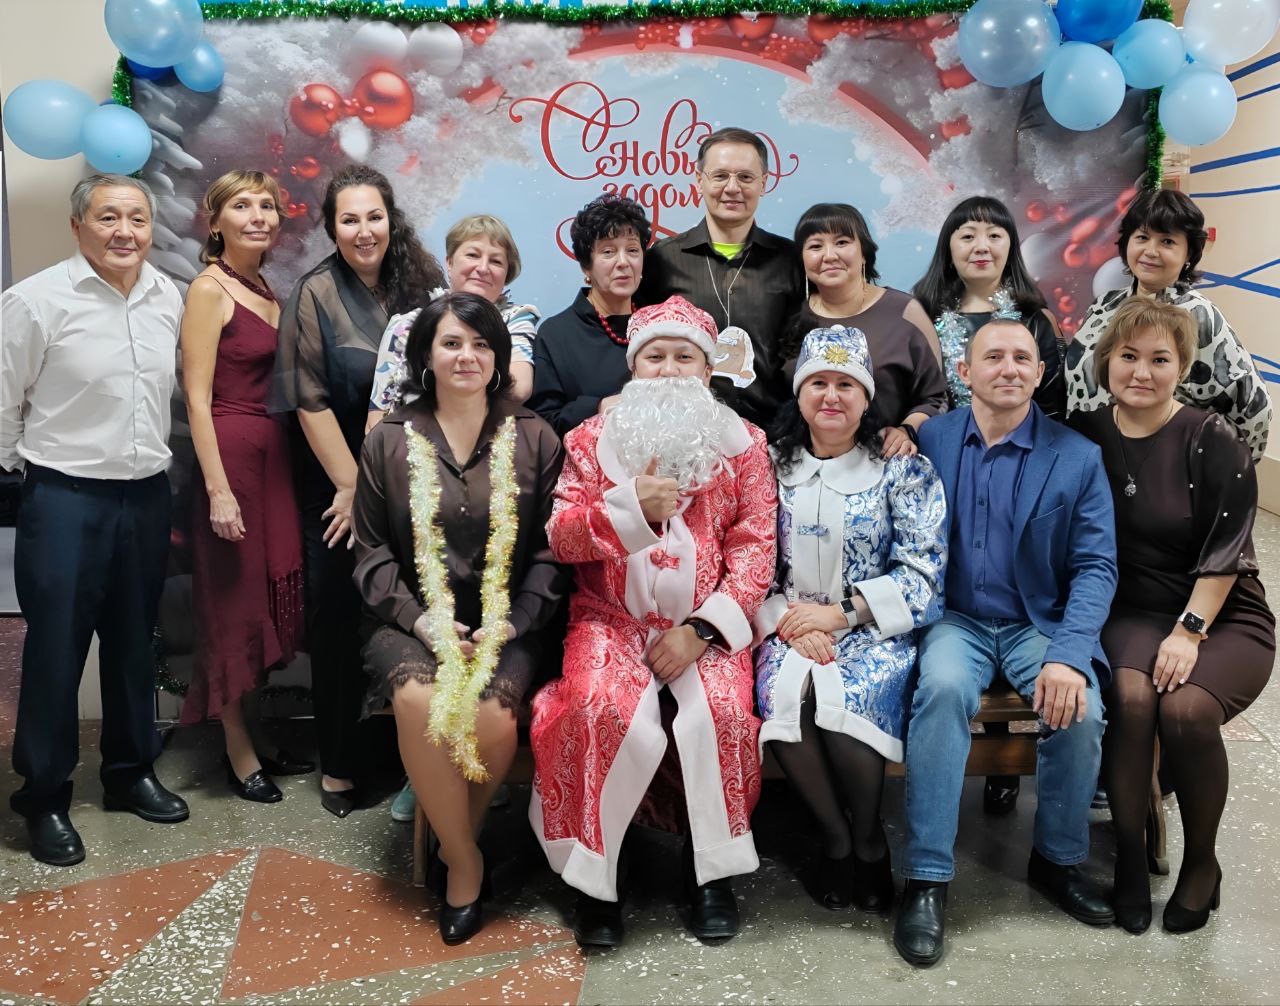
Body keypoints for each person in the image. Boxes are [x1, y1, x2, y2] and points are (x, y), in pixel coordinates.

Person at [529, 296, 778, 949]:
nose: (669, 370)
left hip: (704, 629)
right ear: (633, 368)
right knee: (597, 708)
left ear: (707, 370)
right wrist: (627, 510)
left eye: (684, 357)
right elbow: (562, 537)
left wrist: (702, 630)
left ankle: (710, 873)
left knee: (722, 715)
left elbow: (756, 549)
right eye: (655, 357)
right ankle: (596, 880)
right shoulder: (588, 442)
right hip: (611, 620)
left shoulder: (745, 446)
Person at [894, 319, 1118, 968]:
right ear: (965, 372)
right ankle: (927, 878)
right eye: (993, 356)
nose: (1010, 368)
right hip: (954, 617)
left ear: (1040, 373)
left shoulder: (1077, 457)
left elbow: (1096, 566)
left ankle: (1057, 859)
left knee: (1082, 711)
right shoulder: (932, 440)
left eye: (1023, 357)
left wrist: (1069, 655)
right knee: (941, 692)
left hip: (1036, 623)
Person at [352, 292, 565, 944]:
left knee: (494, 718)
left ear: (499, 356)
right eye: (451, 343)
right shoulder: (390, 439)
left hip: (509, 621)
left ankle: (451, 844)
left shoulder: (534, 437)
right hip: (408, 618)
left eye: (480, 344)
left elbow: (552, 550)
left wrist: (514, 621)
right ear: (426, 355)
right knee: (420, 700)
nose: (466, 356)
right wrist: (422, 622)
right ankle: (466, 862)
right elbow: (370, 551)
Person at [1071, 297, 1274, 935]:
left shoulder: (1212, 439)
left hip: (1220, 611)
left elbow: (1227, 552)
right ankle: (1130, 859)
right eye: (1128, 356)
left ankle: (1202, 863)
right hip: (1130, 607)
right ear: (1106, 362)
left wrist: (1188, 633)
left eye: (1160, 359)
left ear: (1181, 367)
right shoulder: (1083, 434)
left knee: (1185, 711)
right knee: (1132, 701)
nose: (1142, 372)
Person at [1, 174, 188, 865]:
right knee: (56, 648)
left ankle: (129, 773)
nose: (124, 232)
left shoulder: (167, 294)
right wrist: (28, 478)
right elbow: (2, 403)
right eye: (108, 217)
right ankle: (44, 796)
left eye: (137, 218)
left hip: (145, 495)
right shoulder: (34, 301)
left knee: (134, 643)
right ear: (78, 226)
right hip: (64, 500)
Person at [273, 164, 446, 817]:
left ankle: (408, 762)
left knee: (410, 614)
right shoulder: (315, 293)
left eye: (374, 216)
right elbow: (309, 401)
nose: (364, 230)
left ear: (390, 219)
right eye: (350, 219)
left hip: (415, 480)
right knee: (341, 619)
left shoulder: (421, 281)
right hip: (339, 485)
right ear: (332, 227)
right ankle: (340, 769)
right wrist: (353, 489)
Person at [755, 326, 946, 914]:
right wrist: (791, 622)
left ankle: (868, 839)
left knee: (847, 697)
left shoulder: (902, 471)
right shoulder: (767, 466)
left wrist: (838, 615)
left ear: (866, 399)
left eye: (846, 384)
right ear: (799, 395)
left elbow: (923, 572)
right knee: (789, 696)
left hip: (871, 627)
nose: (831, 396)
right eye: (818, 383)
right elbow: (749, 560)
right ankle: (836, 839)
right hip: (786, 623)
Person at [178, 170, 310, 802]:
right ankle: (237, 749)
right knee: (231, 604)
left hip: (273, 457)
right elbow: (196, 399)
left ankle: (253, 729)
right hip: (230, 456)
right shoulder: (209, 289)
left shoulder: (263, 286)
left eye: (267, 206)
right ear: (216, 221)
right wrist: (218, 490)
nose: (258, 215)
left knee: (263, 597)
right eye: (241, 205)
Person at [1064, 187, 1271, 461]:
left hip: (1155, 469)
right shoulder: (1104, 305)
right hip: (1088, 461)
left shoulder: (1198, 316)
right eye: (1142, 237)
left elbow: (1253, 410)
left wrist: (1210, 468)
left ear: (1189, 254)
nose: (1151, 251)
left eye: (1167, 241)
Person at [640, 127, 804, 426]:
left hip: (774, 431)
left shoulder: (792, 260)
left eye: (745, 177)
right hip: (681, 429)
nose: (732, 188)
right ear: (699, 180)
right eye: (720, 176)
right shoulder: (661, 259)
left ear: (764, 183)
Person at [782, 202, 947, 458]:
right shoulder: (789, 315)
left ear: (864, 253)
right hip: (802, 467)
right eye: (815, 246)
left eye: (842, 242)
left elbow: (936, 397)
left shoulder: (905, 311)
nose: (829, 255)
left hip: (885, 461)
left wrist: (906, 431)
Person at [368, 213, 538, 421]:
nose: (483, 268)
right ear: (449, 263)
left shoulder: (516, 319)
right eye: (473, 255)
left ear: (506, 275)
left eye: (495, 261)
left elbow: (519, 388)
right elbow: (378, 415)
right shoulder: (406, 326)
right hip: (405, 438)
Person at [913, 195, 1067, 421]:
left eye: (994, 236)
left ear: (1010, 249)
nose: (982, 247)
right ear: (948, 249)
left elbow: (1052, 409)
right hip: (937, 439)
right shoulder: (922, 318)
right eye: (968, 236)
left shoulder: (1035, 320)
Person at [529, 194, 651, 436]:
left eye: (632, 250)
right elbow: (542, 422)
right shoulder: (556, 334)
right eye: (608, 252)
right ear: (586, 265)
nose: (623, 262)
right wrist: (597, 407)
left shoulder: (659, 324)